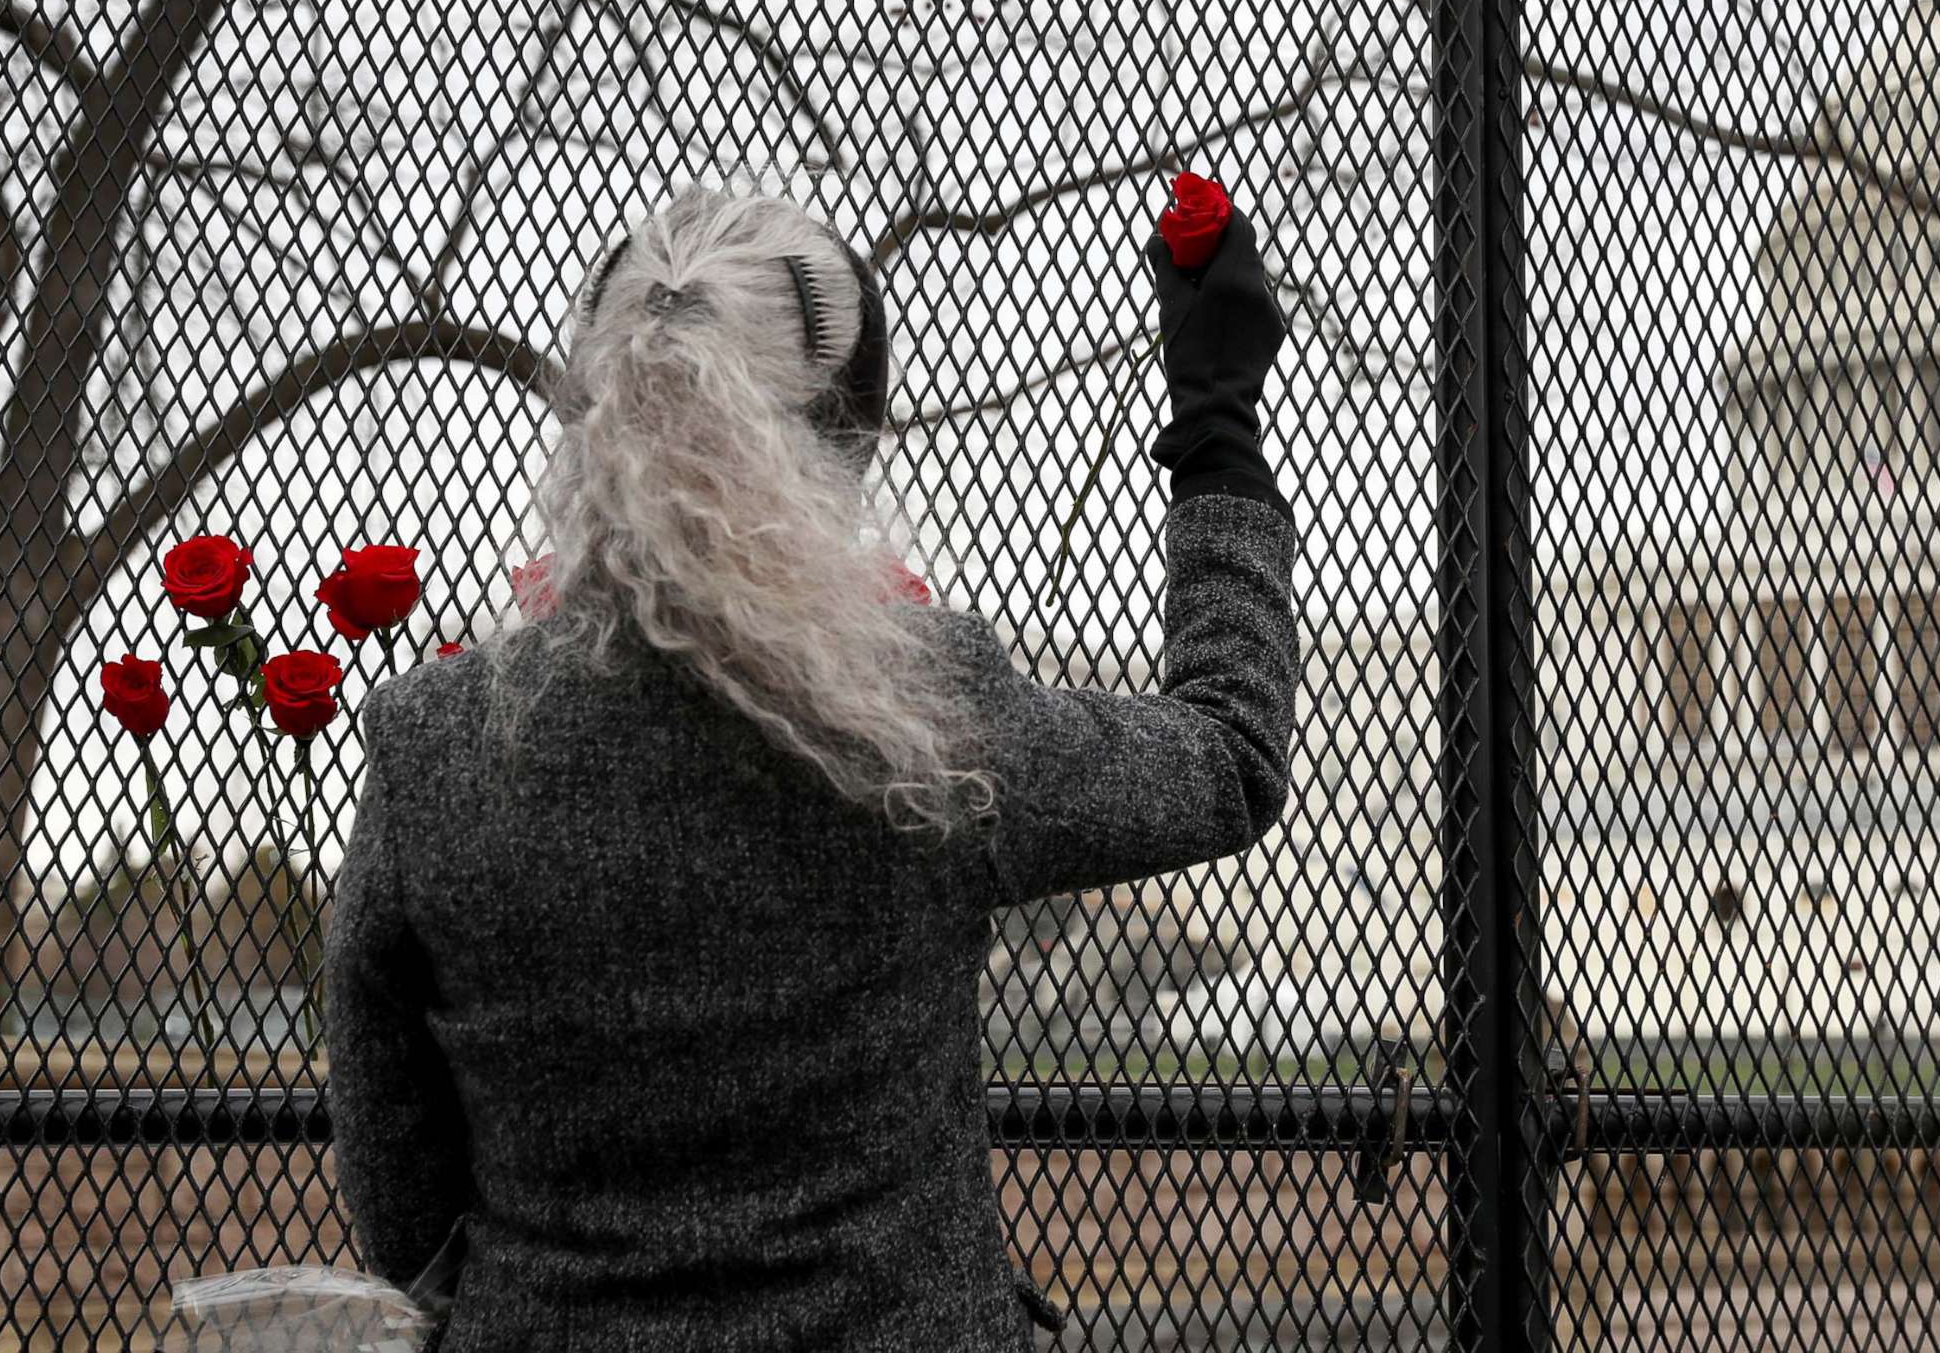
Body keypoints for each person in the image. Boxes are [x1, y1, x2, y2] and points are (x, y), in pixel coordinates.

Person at [323, 182, 1299, 1349]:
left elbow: (403, 1205)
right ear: (846, 442)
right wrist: (1216, 423)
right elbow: (1227, 755)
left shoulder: (436, 744)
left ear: (595, 419)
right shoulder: (918, 719)